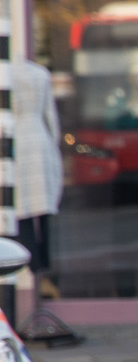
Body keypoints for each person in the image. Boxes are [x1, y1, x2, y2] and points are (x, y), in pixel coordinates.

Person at [11, 57, 62, 301]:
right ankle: (43, 267)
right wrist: (54, 147)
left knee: (20, 212)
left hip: (14, 142)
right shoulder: (40, 73)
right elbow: (51, 118)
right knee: (41, 212)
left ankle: (31, 266)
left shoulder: (6, 74)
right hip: (39, 139)